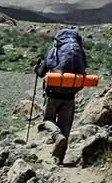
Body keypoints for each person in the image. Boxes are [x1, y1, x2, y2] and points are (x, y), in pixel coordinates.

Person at [34, 28, 88, 164]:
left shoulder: (54, 50)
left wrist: (38, 67)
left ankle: (57, 136)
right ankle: (60, 159)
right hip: (70, 95)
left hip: (53, 93)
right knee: (65, 125)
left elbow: (42, 72)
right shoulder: (79, 52)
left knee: (48, 119)